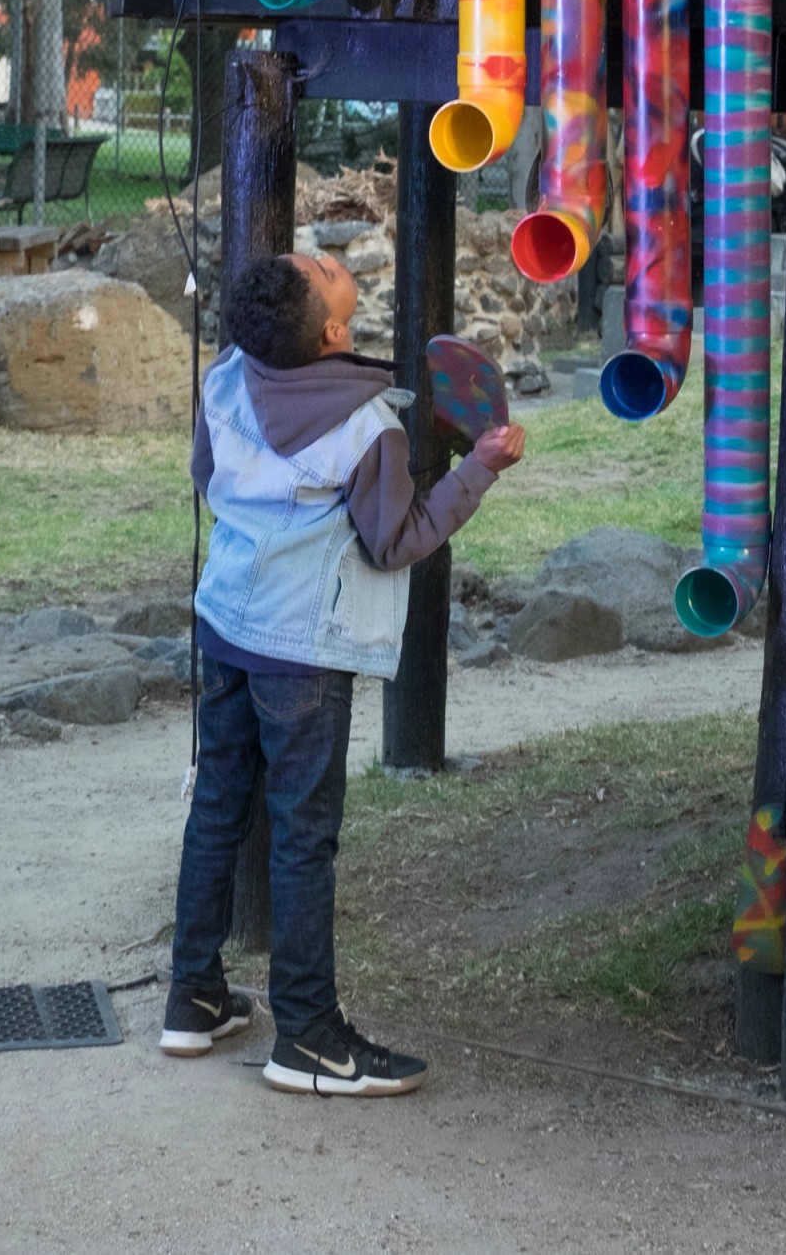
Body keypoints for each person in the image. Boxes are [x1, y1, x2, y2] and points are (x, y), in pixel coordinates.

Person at [159, 250, 524, 1094]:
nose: (319, 253)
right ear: (334, 329)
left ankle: (193, 996)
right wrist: (479, 469)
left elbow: (208, 478)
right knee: (302, 837)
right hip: (303, 655)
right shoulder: (368, 428)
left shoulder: (225, 379)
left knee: (217, 807)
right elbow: (397, 541)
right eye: (321, 266)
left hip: (224, 627)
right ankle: (310, 1040)